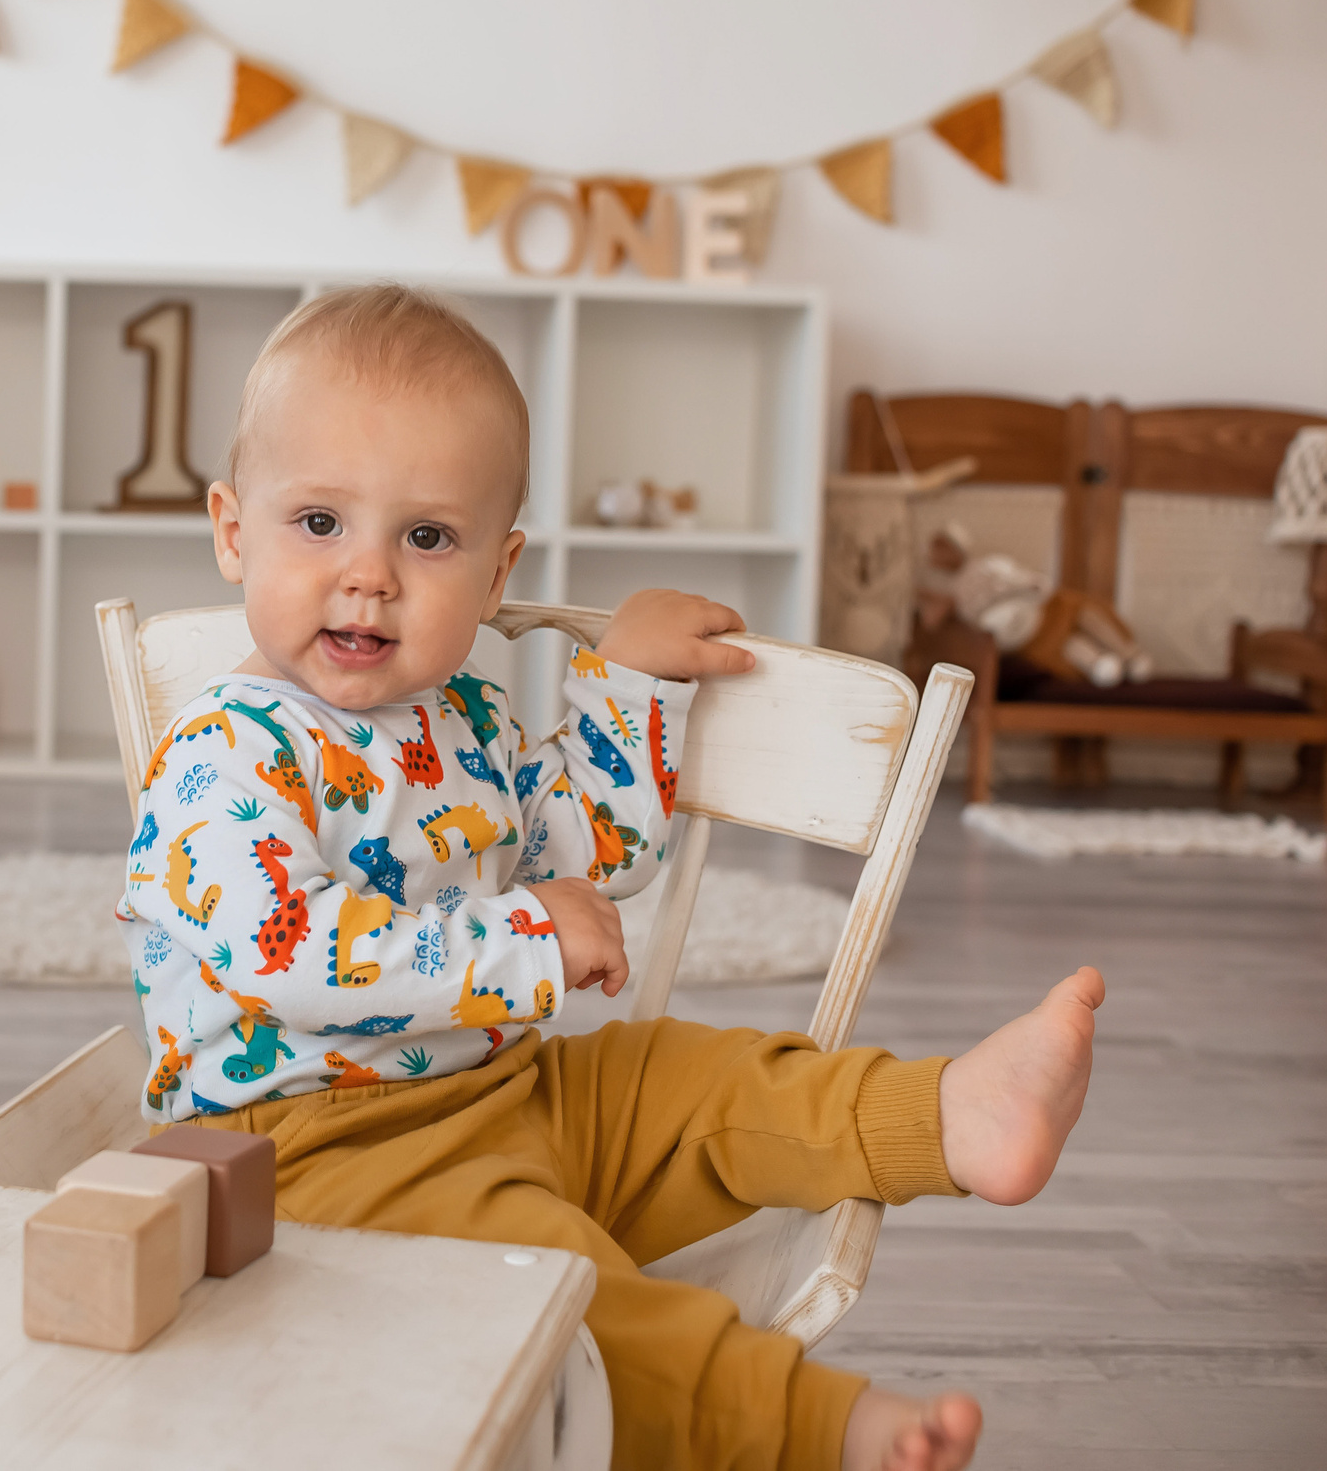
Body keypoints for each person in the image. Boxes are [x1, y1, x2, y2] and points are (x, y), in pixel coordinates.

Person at [116, 283, 1103, 1471]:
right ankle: (816, 1422)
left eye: (426, 536)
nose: (369, 573)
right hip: (320, 1154)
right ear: (233, 529)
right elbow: (286, 957)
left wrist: (628, 687)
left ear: (495, 571)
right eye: (318, 521)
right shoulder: (223, 753)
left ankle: (947, 1114)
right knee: (566, 1292)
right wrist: (526, 939)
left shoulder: (462, 715)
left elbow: (592, 855)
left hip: (509, 1087)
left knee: (698, 1077)